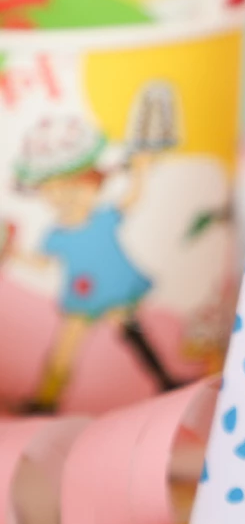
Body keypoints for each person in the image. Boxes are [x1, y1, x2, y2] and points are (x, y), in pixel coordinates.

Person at [11, 113, 176, 410]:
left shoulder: (104, 218)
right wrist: (12, 253)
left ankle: (165, 380)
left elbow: (130, 199)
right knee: (64, 349)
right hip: (82, 296)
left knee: (134, 334)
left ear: (94, 184)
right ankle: (45, 400)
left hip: (114, 289)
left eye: (74, 189)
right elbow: (42, 262)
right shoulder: (57, 235)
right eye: (55, 192)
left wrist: (140, 171)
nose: (66, 198)